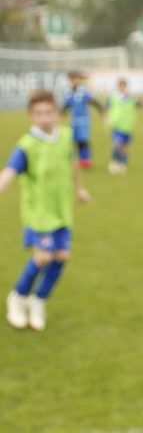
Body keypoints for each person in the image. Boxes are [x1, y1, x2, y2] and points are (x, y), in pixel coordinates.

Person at [0, 90, 91, 331]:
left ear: (57, 113)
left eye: (49, 112)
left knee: (62, 257)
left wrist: (80, 189)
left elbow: (72, 163)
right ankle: (18, 297)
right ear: (30, 115)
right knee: (42, 257)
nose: (44, 118)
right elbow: (8, 174)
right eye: (38, 113)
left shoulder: (66, 136)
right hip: (39, 214)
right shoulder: (26, 146)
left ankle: (38, 300)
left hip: (62, 211)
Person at [61, 71, 103, 170]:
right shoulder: (69, 93)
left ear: (79, 80)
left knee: (83, 140)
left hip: (84, 120)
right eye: (72, 79)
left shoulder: (83, 91)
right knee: (74, 141)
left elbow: (93, 102)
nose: (74, 81)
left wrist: (102, 111)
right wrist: (62, 114)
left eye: (75, 79)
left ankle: (86, 161)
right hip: (74, 120)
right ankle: (78, 161)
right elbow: (66, 105)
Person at [105, 78, 140, 174]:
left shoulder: (131, 97)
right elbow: (106, 107)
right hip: (117, 125)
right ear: (118, 86)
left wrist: (141, 99)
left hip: (128, 126)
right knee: (117, 145)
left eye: (124, 86)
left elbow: (139, 104)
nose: (122, 88)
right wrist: (107, 118)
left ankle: (123, 164)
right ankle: (114, 162)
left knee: (125, 146)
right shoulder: (113, 97)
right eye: (121, 86)